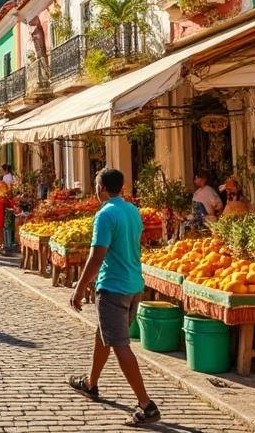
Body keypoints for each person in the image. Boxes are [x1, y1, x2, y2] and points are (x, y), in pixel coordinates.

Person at [68, 167, 159, 426]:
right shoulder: (132, 210)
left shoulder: (105, 214)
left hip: (113, 287)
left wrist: (79, 287)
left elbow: (97, 255)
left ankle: (146, 405)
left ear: (101, 188)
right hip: (133, 285)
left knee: (120, 344)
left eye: (96, 186)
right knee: (104, 333)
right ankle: (90, 382)